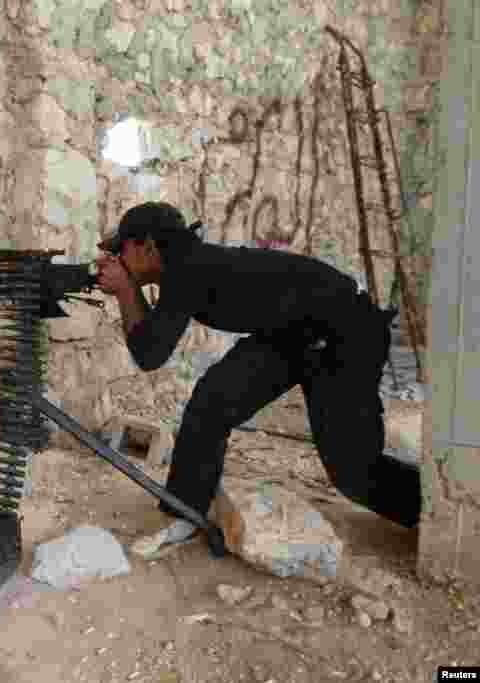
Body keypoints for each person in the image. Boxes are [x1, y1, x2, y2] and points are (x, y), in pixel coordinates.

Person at [94, 201, 421, 559]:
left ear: (148, 246)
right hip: (294, 332)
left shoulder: (186, 269)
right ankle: (185, 511)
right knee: (212, 401)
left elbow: (148, 354)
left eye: (122, 250)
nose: (119, 259)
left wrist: (126, 291)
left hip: (345, 331)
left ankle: (430, 512)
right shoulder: (185, 265)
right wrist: (130, 288)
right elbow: (150, 341)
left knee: (353, 469)